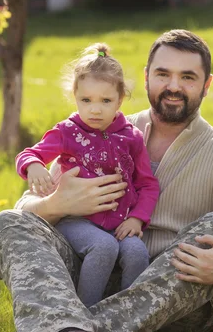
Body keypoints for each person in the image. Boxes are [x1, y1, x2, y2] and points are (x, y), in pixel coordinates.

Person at [0, 30, 213, 332]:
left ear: (207, 84)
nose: (173, 86)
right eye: (162, 74)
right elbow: (27, 210)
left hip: (167, 292)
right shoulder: (101, 126)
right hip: (91, 272)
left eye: (187, 77)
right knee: (8, 220)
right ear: (145, 78)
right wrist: (58, 204)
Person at [15, 43, 159, 308]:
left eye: (105, 101)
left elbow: (148, 184)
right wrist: (34, 166)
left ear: (120, 100)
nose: (95, 109)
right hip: (76, 220)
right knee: (104, 247)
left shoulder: (131, 137)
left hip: (119, 222)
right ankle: (83, 318)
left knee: (137, 253)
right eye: (86, 100)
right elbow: (29, 154)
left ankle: (124, 319)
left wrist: (137, 219)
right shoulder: (67, 132)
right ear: (75, 96)